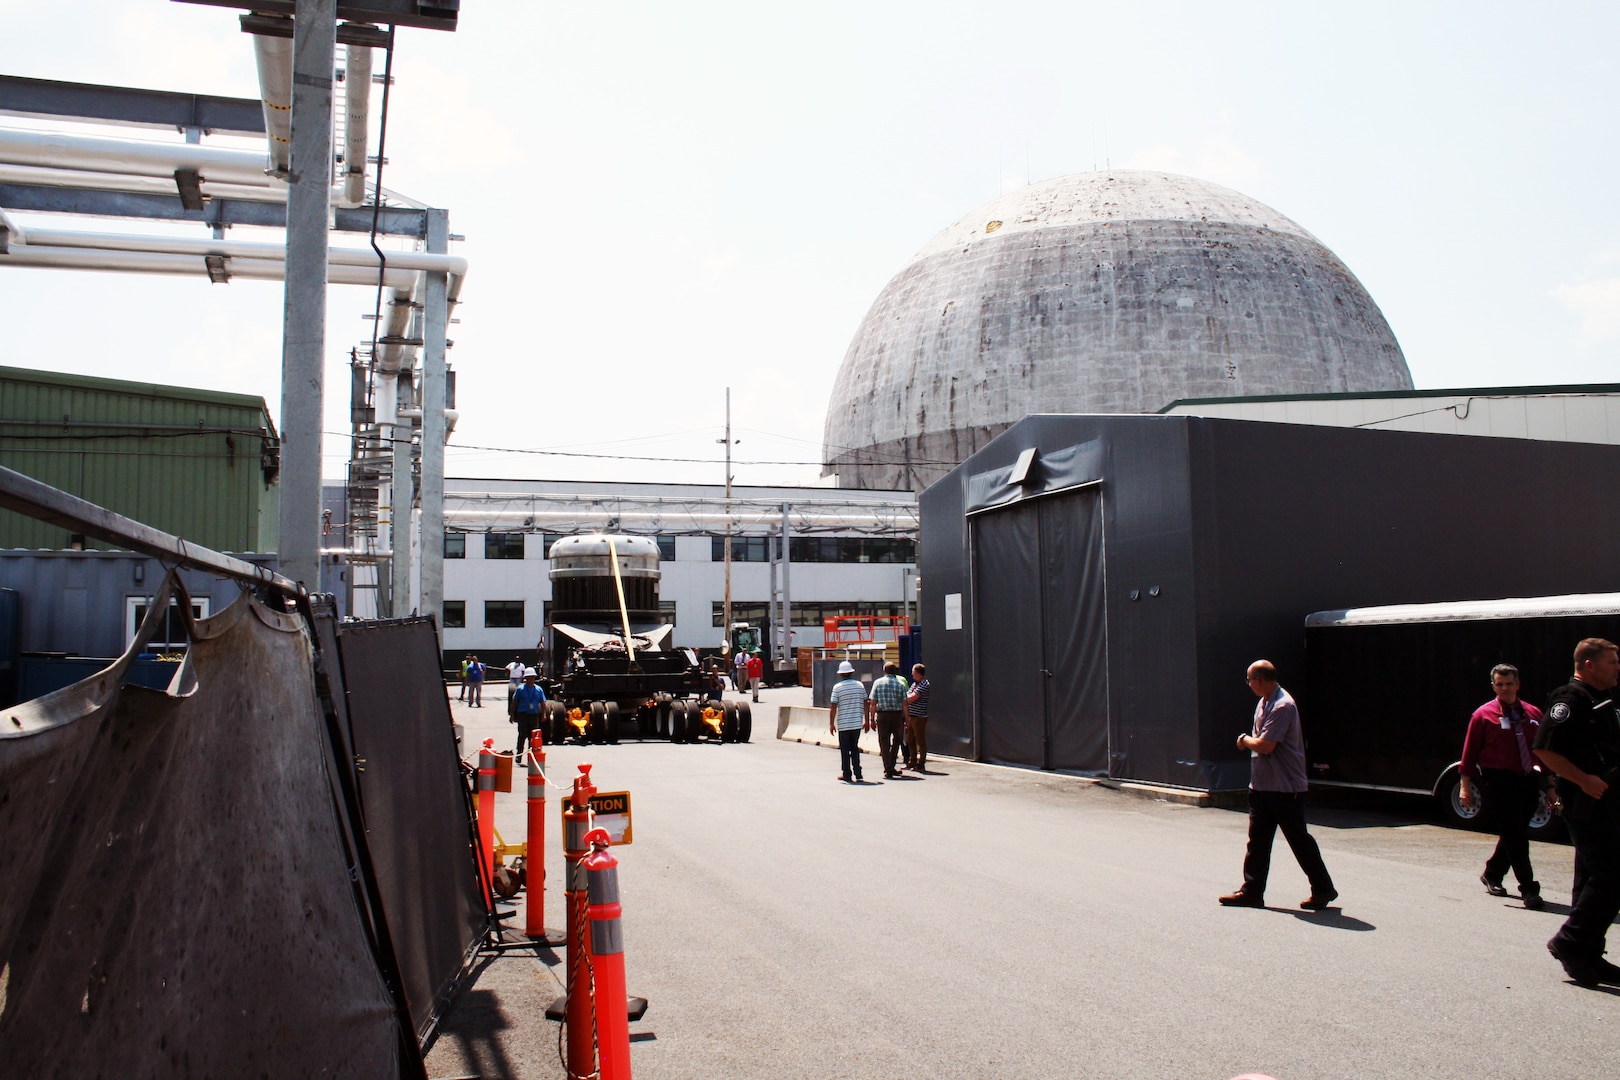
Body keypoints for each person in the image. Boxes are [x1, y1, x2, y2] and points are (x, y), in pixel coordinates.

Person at [1533, 638, 1620, 987]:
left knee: (1590, 881)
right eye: (1612, 662)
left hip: (1607, 801)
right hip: (1587, 803)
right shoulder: (1570, 699)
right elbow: (1544, 749)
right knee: (1612, 875)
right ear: (1588, 665)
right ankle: (1569, 942)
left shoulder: (1601, 698)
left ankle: (1588, 953)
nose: (1617, 668)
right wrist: (1583, 780)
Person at [1219, 660, 1338, 910]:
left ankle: (1323, 888)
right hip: (1262, 785)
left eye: (1249, 680)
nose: (1248, 684)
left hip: (1285, 787)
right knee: (1257, 841)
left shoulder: (1283, 705)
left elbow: (1265, 745)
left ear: (1259, 680)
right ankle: (1252, 891)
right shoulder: (1264, 702)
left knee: (1298, 839)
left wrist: (1244, 740)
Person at [1459, 664, 1547, 908]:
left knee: (1515, 831)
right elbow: (1469, 754)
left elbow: (1542, 751)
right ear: (1493, 686)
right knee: (1515, 832)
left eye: (1509, 684)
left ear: (1518, 684)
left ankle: (1493, 873)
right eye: (1499, 684)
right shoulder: (1483, 715)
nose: (1505, 688)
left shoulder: (1533, 713)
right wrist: (1465, 786)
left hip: (1528, 778)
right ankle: (1529, 888)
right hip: (1498, 780)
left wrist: (1550, 785)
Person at [828, 660, 870, 783]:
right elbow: (866, 703)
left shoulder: (837, 688)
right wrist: (867, 720)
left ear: (841, 674)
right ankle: (858, 773)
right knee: (855, 748)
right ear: (851, 672)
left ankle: (846, 774)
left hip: (843, 724)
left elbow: (833, 707)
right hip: (856, 723)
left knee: (845, 750)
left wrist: (831, 723)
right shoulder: (860, 686)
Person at [867, 661, 909, 778]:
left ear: (884, 671)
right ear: (895, 671)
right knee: (897, 740)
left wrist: (871, 719)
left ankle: (888, 767)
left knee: (884, 741)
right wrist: (907, 719)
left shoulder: (878, 683)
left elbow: (873, 703)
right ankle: (891, 764)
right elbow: (905, 704)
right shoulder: (900, 684)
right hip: (897, 716)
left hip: (882, 715)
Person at [509, 667, 546, 763]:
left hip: (534, 716)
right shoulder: (520, 689)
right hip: (523, 715)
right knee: (522, 735)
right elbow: (514, 702)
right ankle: (519, 754)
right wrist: (512, 714)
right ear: (525, 679)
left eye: (532, 677)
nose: (531, 679)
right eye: (529, 678)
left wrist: (544, 714)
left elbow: (543, 703)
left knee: (532, 737)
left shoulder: (538, 690)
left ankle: (531, 756)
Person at [905, 663, 930, 773]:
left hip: (919, 717)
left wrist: (905, 699)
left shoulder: (924, 684)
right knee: (910, 739)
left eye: (913, 672)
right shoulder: (915, 684)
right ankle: (912, 761)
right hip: (911, 716)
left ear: (918, 673)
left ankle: (921, 763)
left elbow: (911, 698)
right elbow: (907, 695)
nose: (912, 674)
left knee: (920, 740)